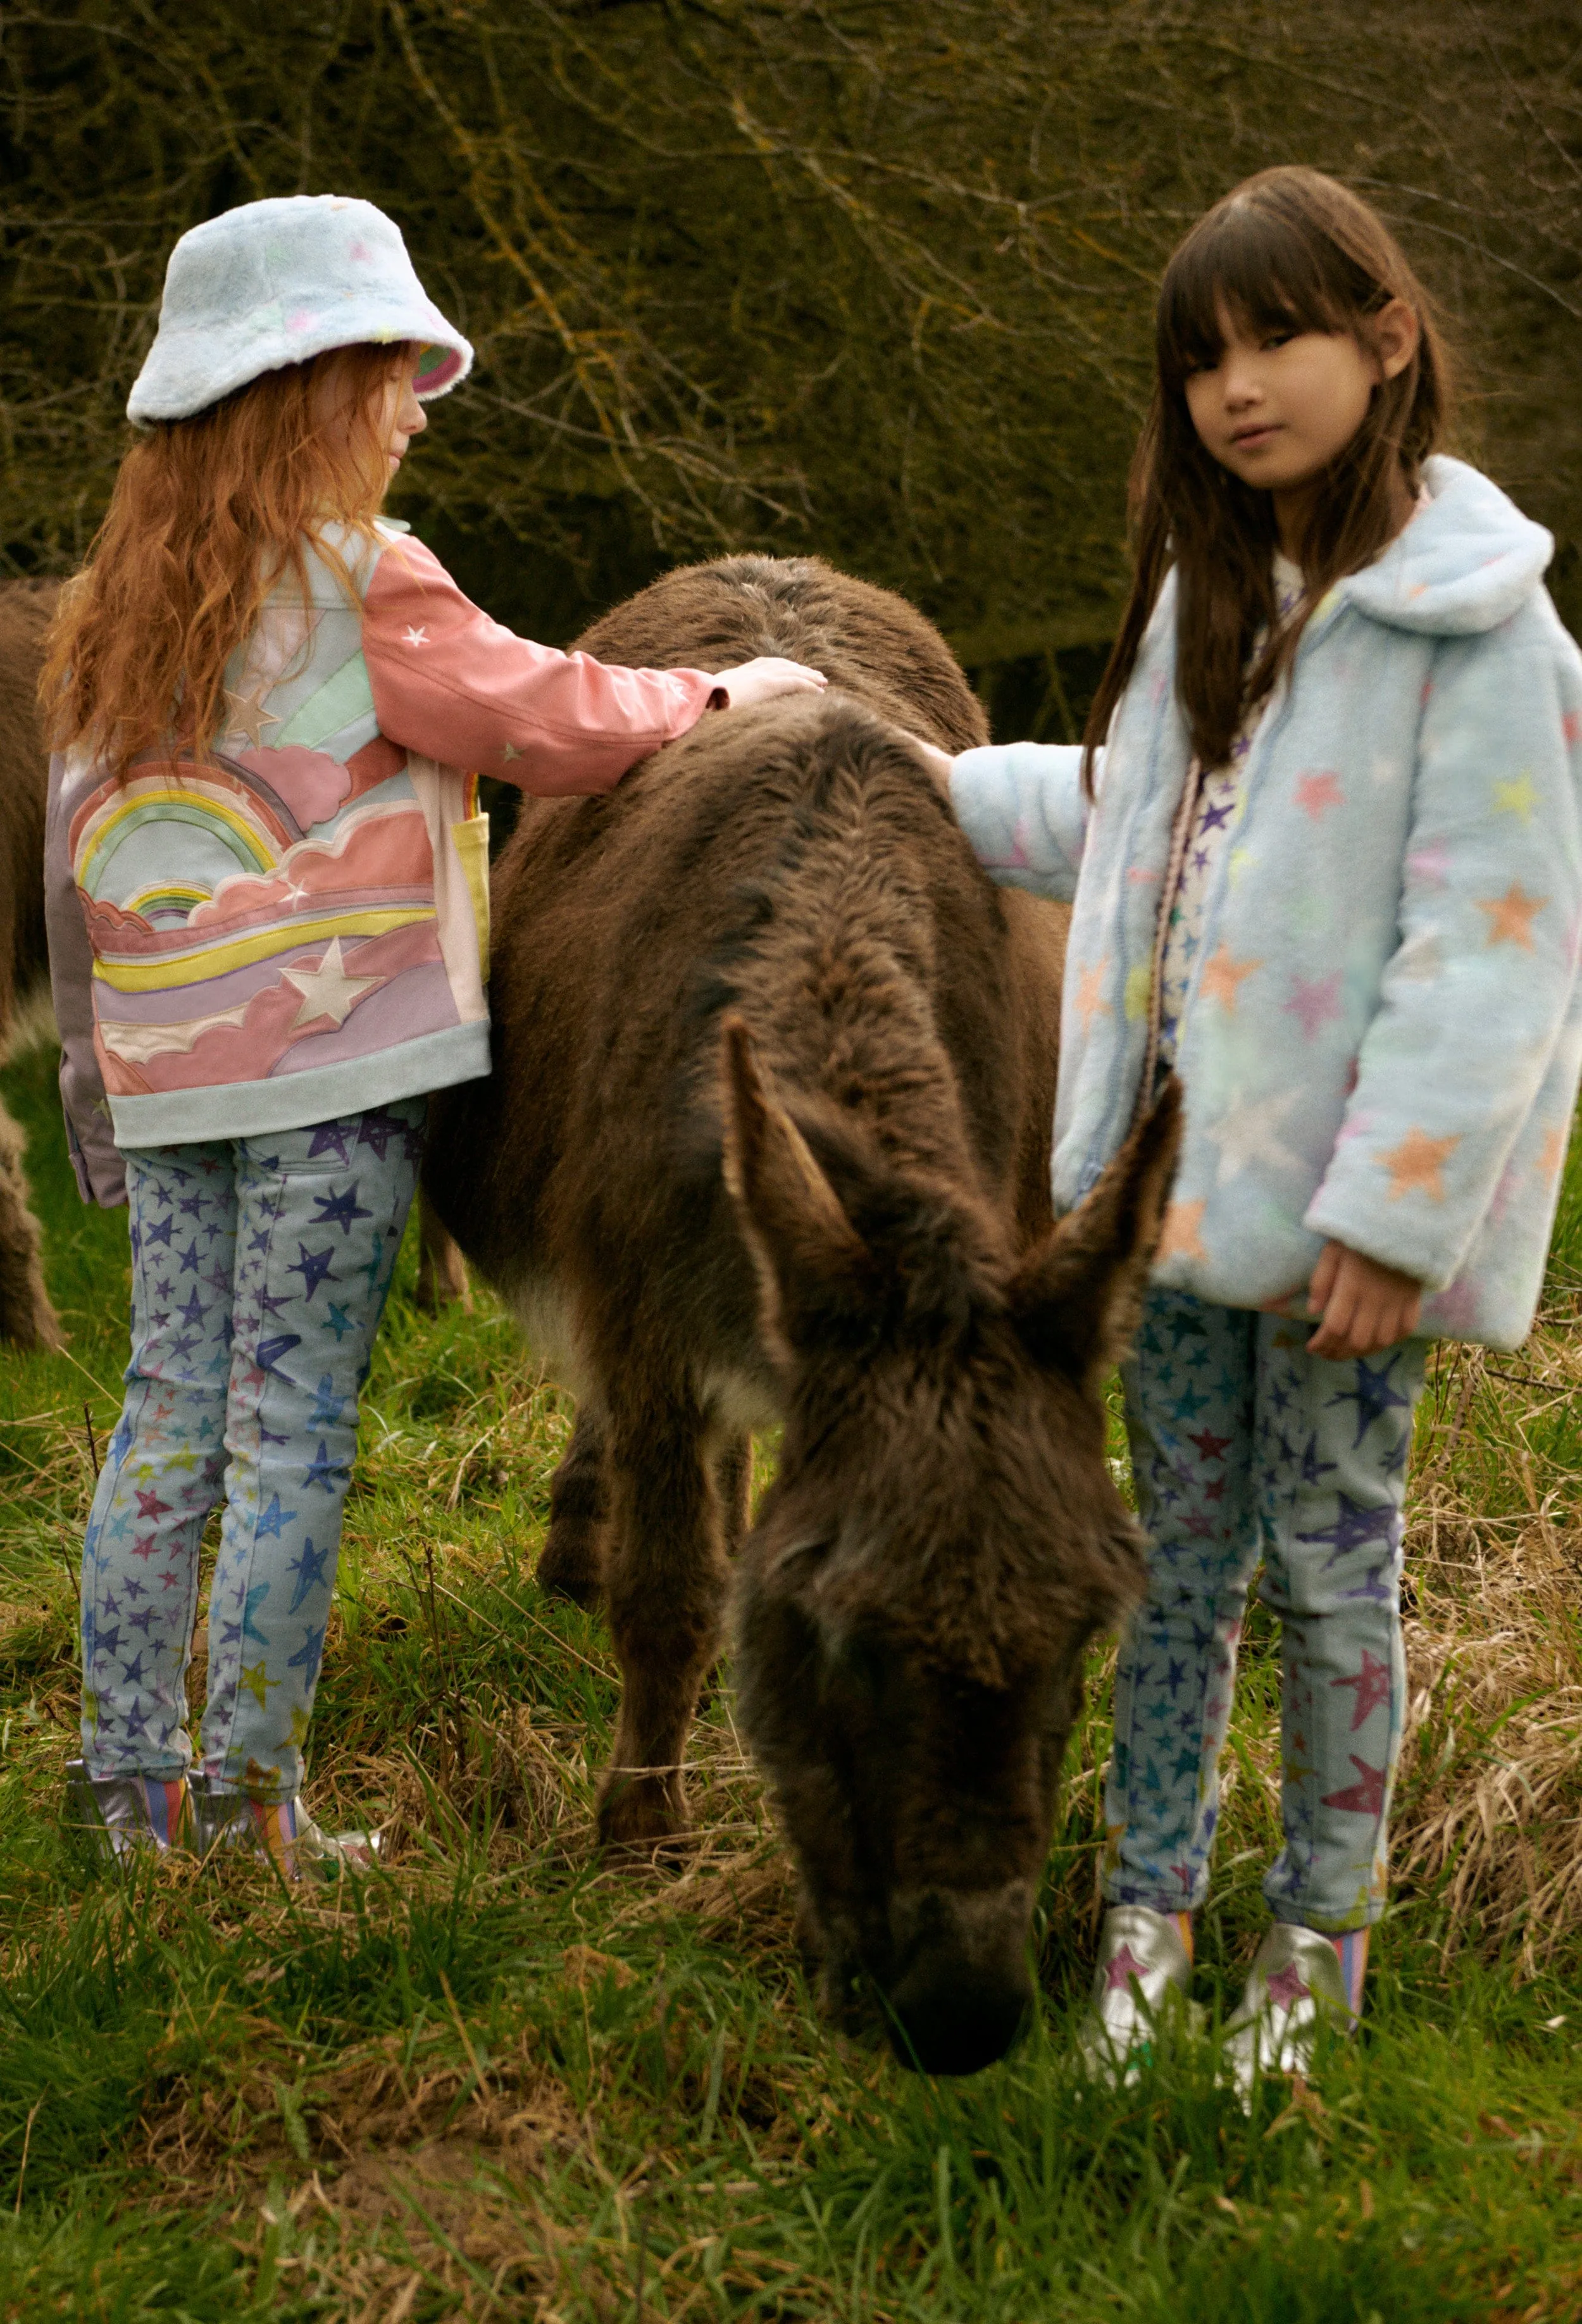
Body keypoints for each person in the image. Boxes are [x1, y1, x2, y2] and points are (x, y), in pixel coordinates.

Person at [43, 194, 825, 1878]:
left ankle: (133, 1799)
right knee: (295, 1428)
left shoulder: (115, 613)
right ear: (300, 391)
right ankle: (255, 1808)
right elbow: (546, 719)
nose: (414, 409)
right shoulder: (363, 583)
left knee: (166, 1414)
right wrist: (721, 698)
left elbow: (72, 865)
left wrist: (85, 1077)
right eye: (393, 373)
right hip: (336, 1081)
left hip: (172, 1082)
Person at [918, 166, 1582, 2085]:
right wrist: (909, 769)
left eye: (1278, 336)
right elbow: (1122, 820)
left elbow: (1493, 950)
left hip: (1336, 1243)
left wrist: (1394, 1217)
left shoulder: (1482, 644)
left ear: (1385, 339)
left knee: (1325, 1565)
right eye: (1198, 356)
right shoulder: (1208, 613)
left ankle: (1319, 1932)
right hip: (1165, 1217)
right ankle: (1149, 1911)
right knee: (1176, 1568)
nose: (1237, 386)